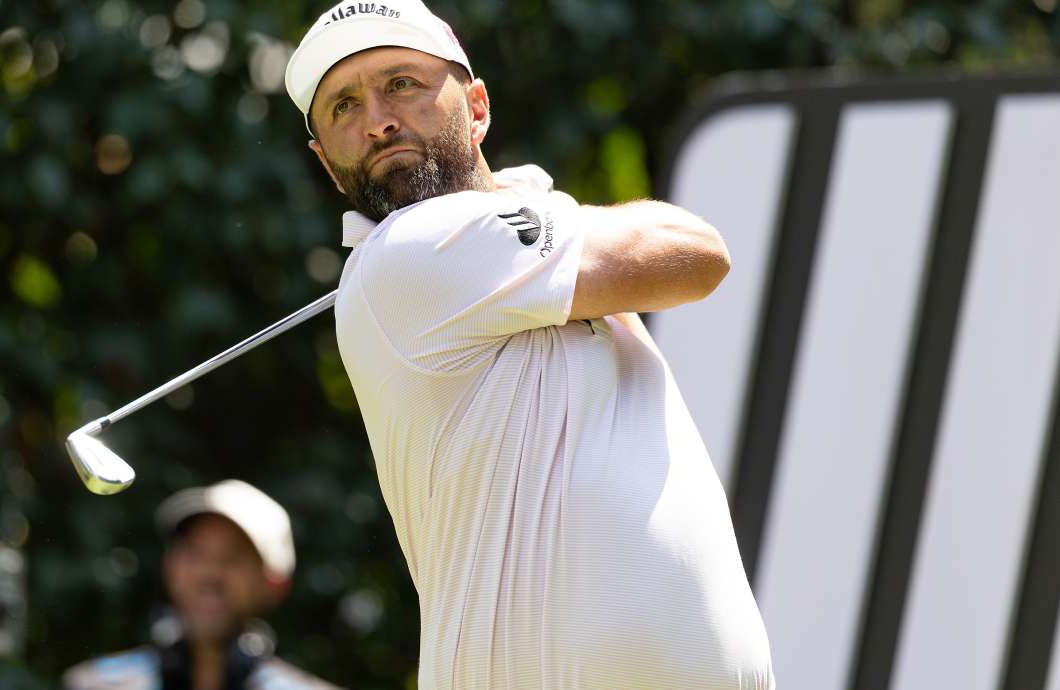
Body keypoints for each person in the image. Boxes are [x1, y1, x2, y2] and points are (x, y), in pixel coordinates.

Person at [283, 1, 776, 688]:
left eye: (401, 83)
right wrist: (545, 208)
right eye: (342, 107)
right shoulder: (407, 253)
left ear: (476, 106)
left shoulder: (506, 253)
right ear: (327, 164)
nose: (378, 120)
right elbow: (696, 252)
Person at [64, 480, 341, 690]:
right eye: (194, 553)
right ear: (169, 566)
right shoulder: (92, 685)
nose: (209, 574)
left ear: (275, 584)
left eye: (232, 558)